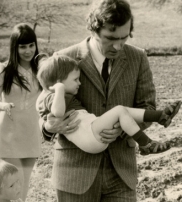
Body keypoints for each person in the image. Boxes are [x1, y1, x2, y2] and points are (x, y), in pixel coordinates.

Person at [40, 0, 172, 201]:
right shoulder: (63, 59)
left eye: (124, 37)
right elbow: (43, 110)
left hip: (122, 174)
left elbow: (147, 107)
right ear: (93, 30)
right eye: (110, 38)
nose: (118, 46)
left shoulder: (138, 58)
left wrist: (121, 128)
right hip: (75, 174)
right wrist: (50, 127)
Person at [37, 54, 180, 154]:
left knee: (123, 111)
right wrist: (60, 89)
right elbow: (57, 113)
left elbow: (146, 102)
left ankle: (160, 116)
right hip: (87, 135)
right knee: (119, 111)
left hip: (92, 130)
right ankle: (145, 143)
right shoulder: (52, 96)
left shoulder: (137, 56)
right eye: (75, 80)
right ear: (58, 81)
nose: (79, 83)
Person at [0, 23, 42, 201]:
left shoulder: (40, 68)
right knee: (10, 187)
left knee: (23, 188)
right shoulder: (4, 69)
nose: (28, 51)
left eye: (31, 45)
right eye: (22, 46)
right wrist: (3, 106)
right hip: (9, 133)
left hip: (31, 132)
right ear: (14, 47)